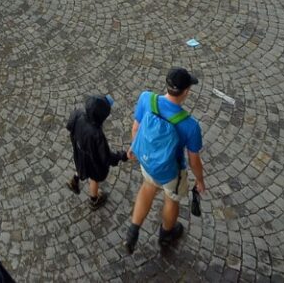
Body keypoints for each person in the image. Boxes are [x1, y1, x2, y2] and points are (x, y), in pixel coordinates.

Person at [124, 68, 205, 253]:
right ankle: (166, 234)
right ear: (186, 92)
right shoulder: (190, 126)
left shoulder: (146, 98)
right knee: (171, 200)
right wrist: (200, 180)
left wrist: (134, 147)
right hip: (171, 173)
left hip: (147, 162)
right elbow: (194, 162)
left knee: (147, 188)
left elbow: (136, 128)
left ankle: (133, 231)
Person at [66, 95, 130, 209]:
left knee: (80, 166)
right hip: (92, 161)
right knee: (94, 178)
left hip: (79, 151)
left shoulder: (78, 114)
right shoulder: (97, 134)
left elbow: (69, 126)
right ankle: (94, 200)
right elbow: (106, 157)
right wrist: (122, 156)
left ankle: (74, 181)